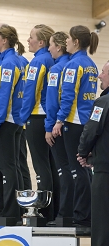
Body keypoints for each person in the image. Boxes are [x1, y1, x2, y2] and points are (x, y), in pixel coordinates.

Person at [52, 25, 99, 226]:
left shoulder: (73, 65)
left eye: (69, 39)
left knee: (77, 170)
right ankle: (84, 213)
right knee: (84, 170)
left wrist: (59, 120)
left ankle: (81, 215)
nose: (67, 43)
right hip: (87, 121)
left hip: (74, 121)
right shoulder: (91, 64)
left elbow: (69, 95)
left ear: (76, 42)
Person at [0, 24, 32, 223]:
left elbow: (4, 95)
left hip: (7, 120)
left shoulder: (8, 64)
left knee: (8, 168)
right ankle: (16, 210)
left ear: (4, 40)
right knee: (13, 167)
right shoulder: (18, 60)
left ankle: (10, 212)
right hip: (16, 121)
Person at [20, 24, 60, 222]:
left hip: (36, 117)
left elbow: (31, 91)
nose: (28, 40)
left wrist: (22, 117)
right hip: (50, 117)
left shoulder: (38, 61)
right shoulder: (53, 59)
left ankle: (45, 211)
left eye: (31, 37)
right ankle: (56, 210)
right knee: (52, 166)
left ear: (42, 42)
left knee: (41, 166)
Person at [77, 61, 109, 246]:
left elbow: (91, 130)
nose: (99, 76)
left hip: (105, 171)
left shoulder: (102, 102)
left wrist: (83, 152)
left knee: (102, 219)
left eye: (103, 72)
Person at [45, 32, 74, 219]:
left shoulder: (56, 70)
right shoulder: (73, 65)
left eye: (50, 45)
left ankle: (64, 214)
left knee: (63, 170)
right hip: (73, 123)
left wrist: (49, 126)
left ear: (59, 47)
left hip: (59, 124)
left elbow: (53, 102)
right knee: (73, 171)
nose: (48, 49)